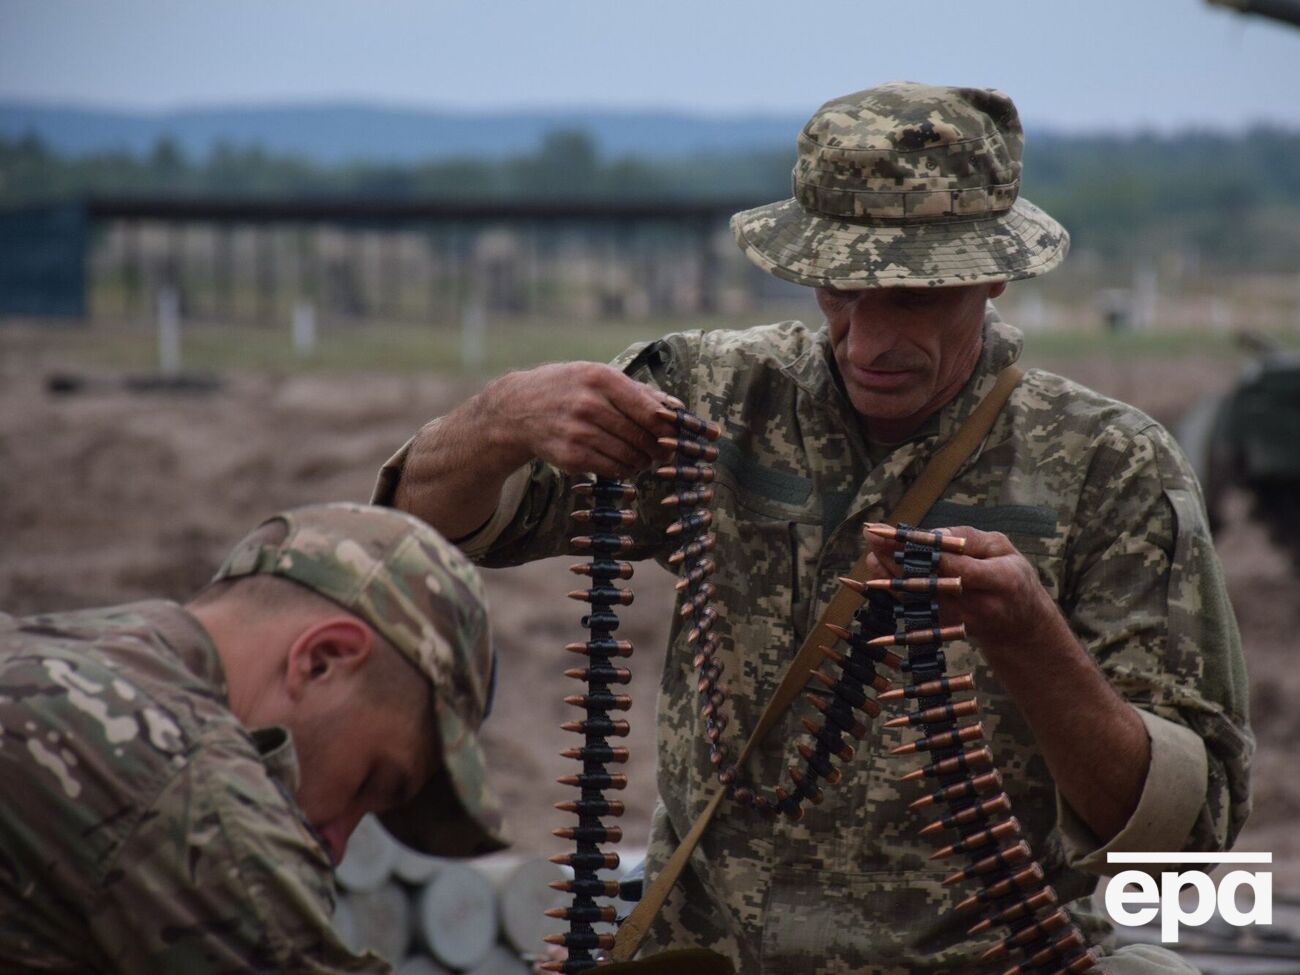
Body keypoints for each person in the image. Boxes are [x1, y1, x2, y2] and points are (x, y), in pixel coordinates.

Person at [374, 83, 1253, 973]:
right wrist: (494, 423)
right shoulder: (713, 398)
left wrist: (1031, 640)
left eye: (912, 297)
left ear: (993, 274)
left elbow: (1182, 851)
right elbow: (414, 535)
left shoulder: (1112, 466)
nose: (867, 340)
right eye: (840, 289)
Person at [0, 502, 506, 973]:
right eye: (366, 783)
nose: (336, 848)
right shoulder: (189, 781)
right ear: (321, 660)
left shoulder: (34, 649)